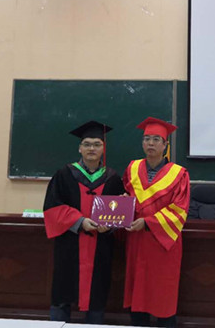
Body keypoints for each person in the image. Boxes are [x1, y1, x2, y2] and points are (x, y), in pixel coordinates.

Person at [43, 120, 125, 324]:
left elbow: (119, 212)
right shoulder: (64, 174)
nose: (91, 148)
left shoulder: (113, 178)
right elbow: (52, 208)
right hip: (69, 245)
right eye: (87, 144)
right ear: (79, 148)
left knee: (97, 294)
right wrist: (80, 222)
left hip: (100, 247)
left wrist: (110, 226)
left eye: (97, 144)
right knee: (63, 292)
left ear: (103, 149)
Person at [123, 117, 190, 328]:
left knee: (163, 295)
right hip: (136, 240)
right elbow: (126, 196)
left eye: (156, 139)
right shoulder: (132, 168)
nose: (150, 143)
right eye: (146, 139)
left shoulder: (179, 174)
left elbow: (179, 210)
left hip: (163, 242)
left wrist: (148, 222)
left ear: (165, 145)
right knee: (137, 294)